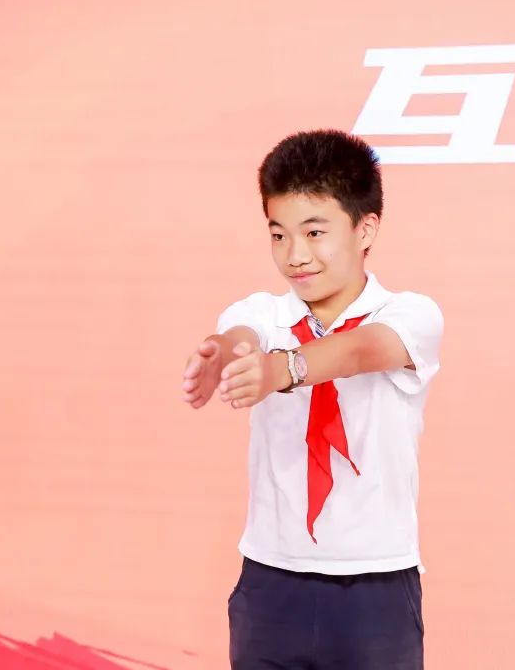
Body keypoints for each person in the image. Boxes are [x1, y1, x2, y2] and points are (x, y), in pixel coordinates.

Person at [181, 130, 443, 669]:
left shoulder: (411, 314)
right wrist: (221, 355)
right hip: (271, 584)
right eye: (279, 235)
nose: (295, 256)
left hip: (375, 588)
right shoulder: (263, 312)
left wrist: (282, 369)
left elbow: (359, 351)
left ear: (365, 228)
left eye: (315, 233)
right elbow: (240, 336)